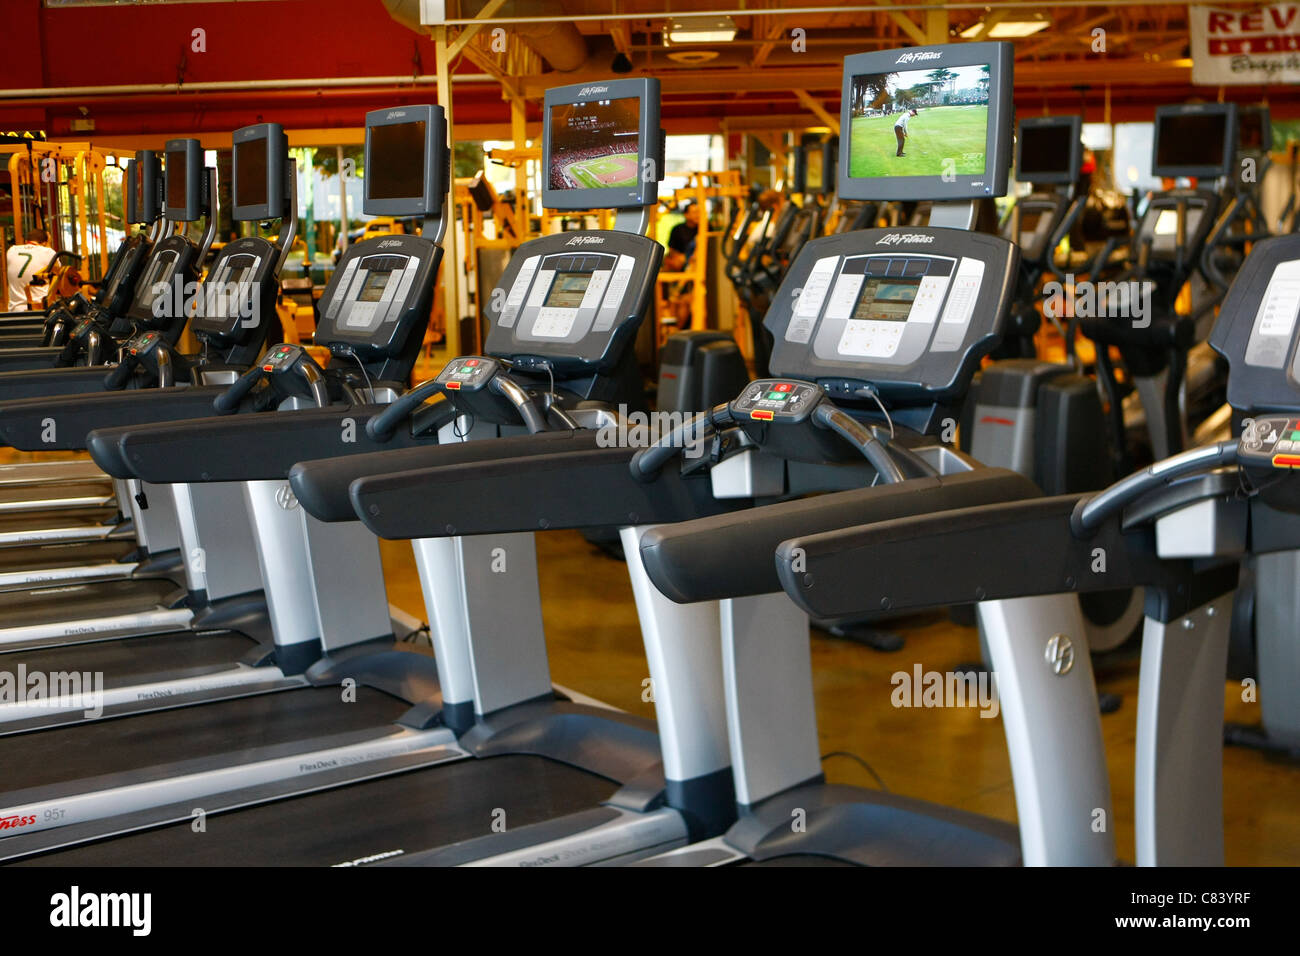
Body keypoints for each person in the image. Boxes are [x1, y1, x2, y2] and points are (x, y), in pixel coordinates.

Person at [6, 227, 56, 311]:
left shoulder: (11, 251)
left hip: (15, 310)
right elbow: (59, 272)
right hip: (39, 309)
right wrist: (49, 246)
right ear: (44, 243)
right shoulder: (48, 252)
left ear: (26, 241)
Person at [664, 201, 700, 272]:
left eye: (698, 212)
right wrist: (683, 258)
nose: (697, 215)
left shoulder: (706, 228)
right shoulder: (678, 229)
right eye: (694, 212)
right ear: (686, 215)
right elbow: (672, 249)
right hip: (682, 260)